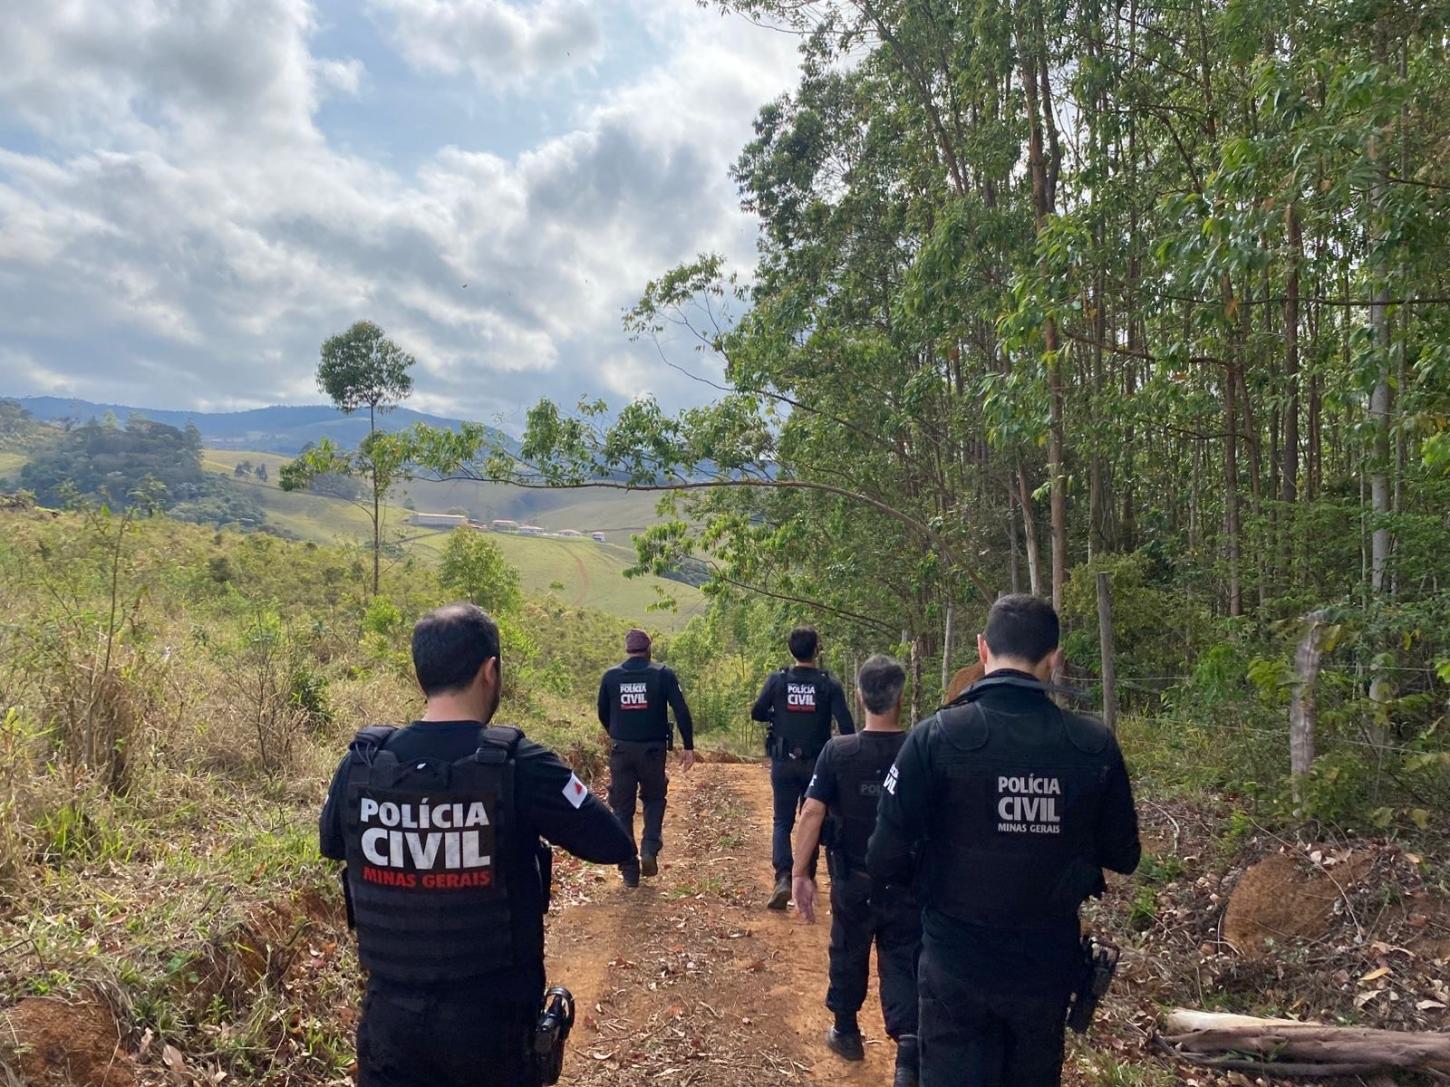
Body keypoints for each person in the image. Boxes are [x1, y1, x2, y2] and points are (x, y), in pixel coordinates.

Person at [321, 603, 636, 1087]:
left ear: (419, 672)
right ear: (490, 671)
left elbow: (335, 843)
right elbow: (612, 842)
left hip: (390, 1024)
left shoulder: (362, 764)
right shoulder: (521, 764)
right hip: (493, 1029)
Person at [867, 594, 1141, 1087]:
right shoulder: (1093, 744)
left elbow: (883, 855)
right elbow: (1124, 855)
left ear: (982, 649)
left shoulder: (935, 737)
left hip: (954, 962)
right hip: (1044, 968)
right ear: (1054, 657)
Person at [792, 655, 921, 1087]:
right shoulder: (921, 748)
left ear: (860, 696)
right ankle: (907, 1049)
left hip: (853, 878)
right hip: (910, 881)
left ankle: (846, 1031)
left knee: (848, 949)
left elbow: (811, 813)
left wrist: (800, 874)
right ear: (901, 697)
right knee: (904, 959)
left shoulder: (839, 751)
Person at [752, 626, 855, 909]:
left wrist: (777, 711)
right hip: (819, 765)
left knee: (782, 821)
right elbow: (846, 725)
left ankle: (784, 876)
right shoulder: (828, 683)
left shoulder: (778, 680)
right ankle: (806, 876)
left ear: (790, 649)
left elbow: (757, 712)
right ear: (817, 649)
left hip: (784, 761)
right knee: (814, 818)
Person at [597, 628, 696, 887]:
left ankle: (628, 867)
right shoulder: (662, 674)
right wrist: (688, 745)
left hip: (621, 750)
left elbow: (602, 712)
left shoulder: (611, 676)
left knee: (622, 808)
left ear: (627, 650)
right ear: (649, 649)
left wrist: (616, 734)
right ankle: (649, 848)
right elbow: (681, 710)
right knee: (653, 798)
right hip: (652, 750)